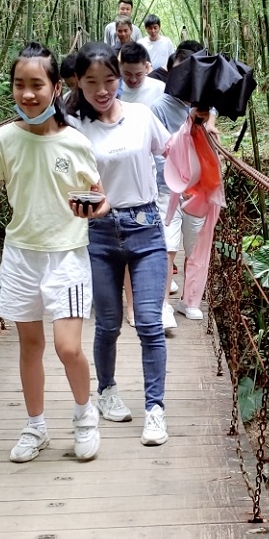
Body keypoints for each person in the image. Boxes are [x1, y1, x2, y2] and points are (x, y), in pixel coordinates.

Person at [0, 42, 107, 464]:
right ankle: (36, 427)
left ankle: (85, 417)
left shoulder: (76, 143)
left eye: (37, 85)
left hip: (66, 255)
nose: (27, 94)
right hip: (21, 255)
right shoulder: (2, 140)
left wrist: (95, 207)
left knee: (68, 347)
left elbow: (100, 200)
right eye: (19, 85)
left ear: (54, 88)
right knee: (30, 345)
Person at [67, 42, 172, 446]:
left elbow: (170, 150)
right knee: (108, 324)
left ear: (121, 78)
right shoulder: (74, 127)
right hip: (98, 231)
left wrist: (201, 125)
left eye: (109, 79)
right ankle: (107, 390)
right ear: (79, 82)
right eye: (91, 81)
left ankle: (155, 410)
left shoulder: (143, 116)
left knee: (149, 322)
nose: (102, 89)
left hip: (145, 226)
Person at [151, 41, 209, 329]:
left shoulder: (203, 107)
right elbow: (160, 151)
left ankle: (189, 301)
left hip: (199, 189)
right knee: (168, 245)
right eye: (178, 73)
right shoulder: (160, 107)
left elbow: (210, 146)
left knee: (195, 245)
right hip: (168, 189)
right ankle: (163, 306)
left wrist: (204, 123)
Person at [119, 41, 165, 107]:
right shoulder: (113, 91)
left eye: (138, 74)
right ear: (120, 67)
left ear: (146, 67)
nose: (133, 80)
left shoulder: (159, 89)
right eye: (128, 74)